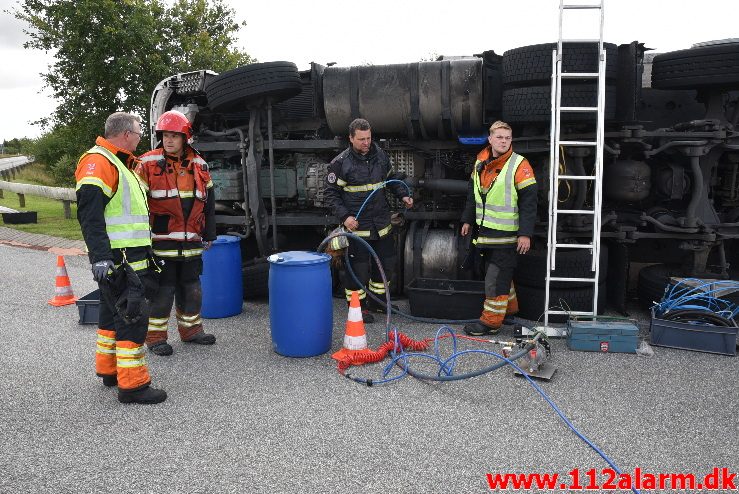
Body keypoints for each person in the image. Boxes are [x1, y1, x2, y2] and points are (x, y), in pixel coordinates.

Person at [75, 112, 166, 404]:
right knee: (132, 316)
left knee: (110, 316)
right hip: (121, 261)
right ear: (126, 134)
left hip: (123, 258)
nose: (141, 137)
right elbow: (90, 215)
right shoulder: (99, 162)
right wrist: (100, 258)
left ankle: (109, 370)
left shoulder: (120, 163)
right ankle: (134, 385)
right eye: (139, 131)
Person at [135, 110, 216, 356]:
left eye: (174, 136)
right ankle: (156, 337)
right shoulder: (147, 163)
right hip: (160, 240)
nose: (169, 140)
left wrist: (209, 233)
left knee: (191, 287)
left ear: (185, 138)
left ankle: (191, 331)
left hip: (191, 239)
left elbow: (209, 202)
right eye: (165, 135)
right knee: (163, 290)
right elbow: (137, 204)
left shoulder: (200, 164)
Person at [324, 118, 413, 323]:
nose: (366, 143)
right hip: (358, 228)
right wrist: (345, 217)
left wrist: (403, 195)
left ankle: (378, 302)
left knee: (385, 266)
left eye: (369, 138)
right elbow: (330, 194)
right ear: (351, 138)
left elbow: (391, 179)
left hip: (381, 225)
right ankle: (357, 309)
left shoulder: (379, 155)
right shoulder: (340, 164)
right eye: (362, 139)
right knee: (358, 271)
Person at [460, 120, 538, 335]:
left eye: (507, 138)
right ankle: (509, 311)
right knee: (501, 275)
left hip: (507, 236)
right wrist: (467, 219)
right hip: (485, 233)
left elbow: (529, 203)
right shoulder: (480, 161)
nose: (504, 142)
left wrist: (525, 234)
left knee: (495, 277)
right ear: (490, 139)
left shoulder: (520, 165)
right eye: (500, 137)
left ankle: (491, 322)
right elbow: (472, 194)